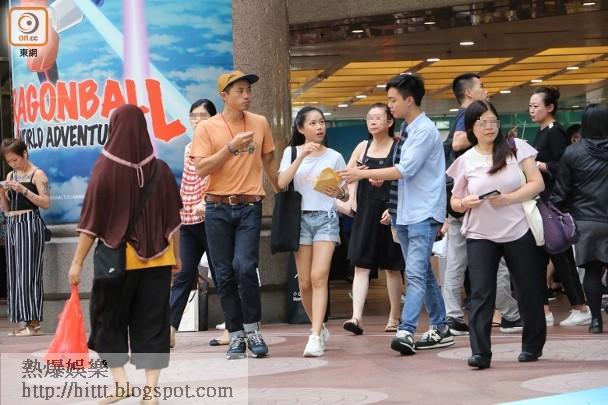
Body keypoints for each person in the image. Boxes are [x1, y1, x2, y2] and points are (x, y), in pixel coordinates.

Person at [68, 104, 182, 403]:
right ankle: (151, 392)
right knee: (153, 324)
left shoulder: (105, 170)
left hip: (117, 263)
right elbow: (173, 221)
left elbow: (91, 224)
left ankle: (120, 384)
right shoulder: (161, 170)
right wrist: (176, 256)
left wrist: (77, 263)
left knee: (107, 321)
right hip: (159, 260)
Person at [340, 74, 453, 355]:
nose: (389, 105)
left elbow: (405, 170)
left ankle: (406, 330)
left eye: (392, 100)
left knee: (414, 273)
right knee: (422, 272)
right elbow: (406, 174)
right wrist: (380, 183)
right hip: (404, 212)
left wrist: (360, 174)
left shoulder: (424, 130)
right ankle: (441, 327)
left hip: (422, 213)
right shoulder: (409, 128)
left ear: (409, 100)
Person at [447, 100, 547, 369]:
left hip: (519, 229)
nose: (489, 127)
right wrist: (464, 203)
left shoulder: (516, 148)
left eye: (493, 121)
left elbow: (537, 183)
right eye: (483, 122)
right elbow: (454, 202)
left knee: (528, 289)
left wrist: (509, 198)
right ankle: (480, 352)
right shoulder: (465, 160)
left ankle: (532, 345)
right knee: (481, 292)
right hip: (480, 234)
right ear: (472, 127)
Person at [191, 70, 279, 360]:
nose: (247, 95)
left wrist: (281, 186)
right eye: (240, 91)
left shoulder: (260, 122)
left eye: (248, 90)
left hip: (250, 205)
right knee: (224, 273)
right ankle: (236, 334)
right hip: (216, 207)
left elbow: (269, 159)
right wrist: (230, 148)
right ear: (224, 95)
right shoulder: (207, 128)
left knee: (245, 266)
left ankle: (253, 330)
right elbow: (201, 168)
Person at [444, 73, 523, 336]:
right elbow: (458, 141)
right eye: (482, 86)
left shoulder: (465, 117)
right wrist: (484, 134)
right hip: (475, 203)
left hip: (466, 201)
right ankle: (509, 314)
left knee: (458, 261)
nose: (486, 90)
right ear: (469, 93)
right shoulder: (468, 116)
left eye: (492, 123)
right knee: (488, 263)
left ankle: (453, 315)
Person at [277, 106, 346, 356]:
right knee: (305, 282)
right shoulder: (291, 152)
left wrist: (339, 192)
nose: (319, 127)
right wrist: (301, 156)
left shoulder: (335, 156)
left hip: (326, 218)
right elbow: (281, 183)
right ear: (301, 128)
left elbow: (345, 193)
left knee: (319, 276)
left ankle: (315, 336)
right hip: (300, 220)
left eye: (322, 122)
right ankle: (319, 325)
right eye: (313, 123)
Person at [169, 99, 229, 348]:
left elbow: (221, 178)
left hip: (212, 216)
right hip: (189, 219)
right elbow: (188, 181)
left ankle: (232, 328)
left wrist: (207, 202)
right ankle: (170, 329)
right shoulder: (188, 147)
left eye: (203, 116)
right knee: (183, 274)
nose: (197, 120)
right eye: (193, 116)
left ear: (213, 119)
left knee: (221, 274)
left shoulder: (221, 146)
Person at [529, 87, 590, 327]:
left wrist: (539, 165)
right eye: (530, 106)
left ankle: (580, 306)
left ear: (550, 107)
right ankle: (543, 310)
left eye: (536, 106)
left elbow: (562, 167)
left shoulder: (556, 133)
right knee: (539, 258)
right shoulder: (541, 132)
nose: (531, 110)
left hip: (552, 205)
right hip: (540, 202)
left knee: (560, 256)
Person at [341, 103, 404, 335]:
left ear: (390, 121)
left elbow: (405, 178)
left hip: (390, 211)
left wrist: (395, 207)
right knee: (361, 265)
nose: (373, 121)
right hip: (365, 213)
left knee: (392, 268)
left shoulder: (398, 147)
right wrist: (350, 183)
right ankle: (356, 318)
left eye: (378, 117)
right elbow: (347, 177)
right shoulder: (362, 147)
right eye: (370, 118)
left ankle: (394, 316)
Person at [551, 103, 608, 333]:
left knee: (592, 272)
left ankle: (595, 321)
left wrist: (551, 211)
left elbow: (561, 191)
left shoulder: (573, 152)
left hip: (586, 221)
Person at [0, 138, 51, 336]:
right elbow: (7, 209)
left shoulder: (38, 174)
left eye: (15, 160)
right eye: (9, 161)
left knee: (29, 272)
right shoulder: (11, 175)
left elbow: (46, 203)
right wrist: (2, 194)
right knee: (15, 274)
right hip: (12, 224)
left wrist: (23, 190)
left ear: (24, 154)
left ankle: (34, 323)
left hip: (30, 223)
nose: (13, 164)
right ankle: (24, 322)